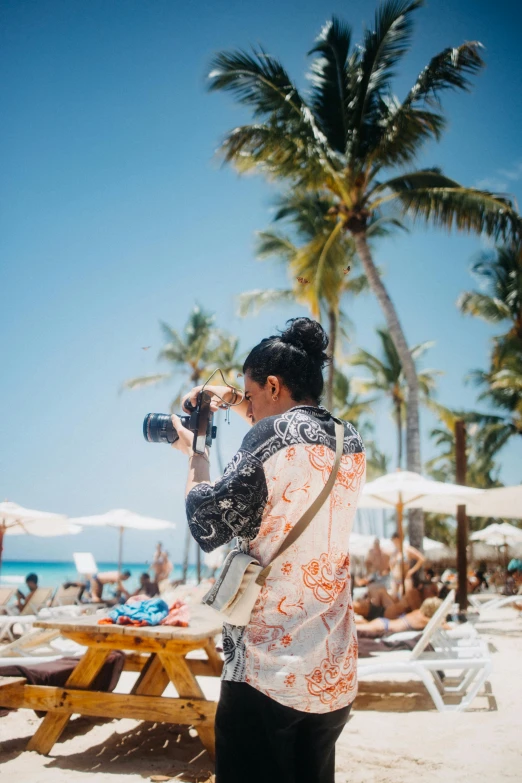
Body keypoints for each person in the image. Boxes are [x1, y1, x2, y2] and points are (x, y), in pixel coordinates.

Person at [170, 317, 366, 783]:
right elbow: (285, 435)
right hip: (332, 672)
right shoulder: (350, 440)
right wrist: (237, 399)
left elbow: (206, 523)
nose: (250, 410)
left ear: (274, 385)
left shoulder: (268, 438)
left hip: (267, 671)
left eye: (253, 395)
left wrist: (196, 452)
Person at [356, 597, 443, 638]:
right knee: (355, 629)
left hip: (384, 623)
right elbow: (442, 625)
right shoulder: (422, 619)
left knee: (356, 627)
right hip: (383, 626)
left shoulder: (418, 612)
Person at [389, 531, 425, 597]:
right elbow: (391, 564)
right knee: (393, 599)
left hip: (405, 578)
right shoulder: (394, 552)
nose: (394, 543)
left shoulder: (407, 550)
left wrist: (411, 571)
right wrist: (392, 572)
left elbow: (421, 559)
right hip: (395, 579)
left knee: (404, 599)